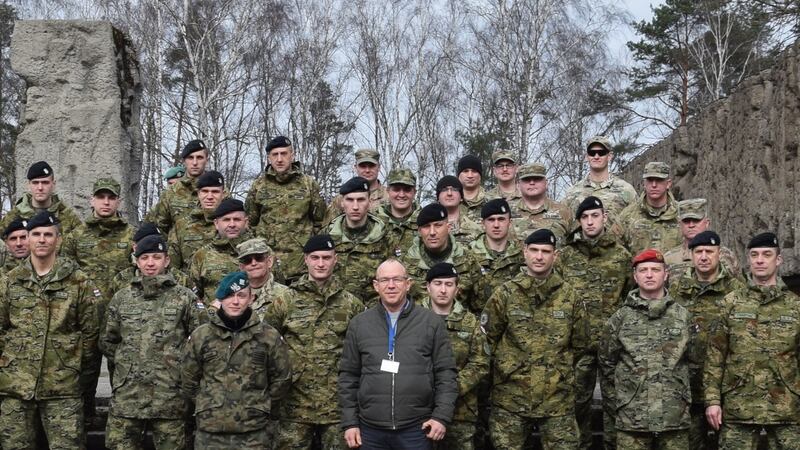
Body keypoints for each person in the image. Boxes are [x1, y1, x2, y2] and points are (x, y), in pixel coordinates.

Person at [0, 211, 100, 449]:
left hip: (63, 389)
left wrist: (74, 372)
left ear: (59, 240)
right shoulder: (10, 281)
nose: (42, 239)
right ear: (28, 238)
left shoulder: (79, 282)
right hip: (16, 388)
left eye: (48, 234)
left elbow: (91, 335)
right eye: (36, 234)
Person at [481, 228, 586, 449]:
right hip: (511, 396)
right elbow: (486, 341)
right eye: (534, 250)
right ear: (525, 252)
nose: (539, 257)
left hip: (556, 398)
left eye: (545, 251)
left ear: (555, 256)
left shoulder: (570, 296)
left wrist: (561, 374)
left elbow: (580, 345)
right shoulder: (505, 294)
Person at [339, 259, 458, 449]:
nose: (391, 285)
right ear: (376, 286)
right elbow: (348, 376)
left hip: (417, 428)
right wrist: (350, 423)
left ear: (408, 284)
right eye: (385, 280)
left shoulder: (431, 322)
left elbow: (446, 374)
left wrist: (441, 417)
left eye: (397, 279)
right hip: (370, 430)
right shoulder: (359, 324)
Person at [100, 234, 204, 450]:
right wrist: (128, 363)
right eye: (144, 258)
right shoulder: (122, 298)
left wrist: (175, 365)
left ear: (167, 260)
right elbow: (108, 340)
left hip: (170, 394)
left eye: (156, 257)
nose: (150, 263)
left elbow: (200, 341)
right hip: (128, 395)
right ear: (136, 262)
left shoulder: (184, 298)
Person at [265, 235, 363, 449]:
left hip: (337, 406)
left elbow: (362, 351)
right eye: (315, 257)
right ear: (306, 259)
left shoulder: (351, 304)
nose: (321, 263)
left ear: (335, 259)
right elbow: (267, 345)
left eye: (326, 258)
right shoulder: (286, 301)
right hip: (294, 405)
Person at [704, 232, 800, 450]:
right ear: (748, 259)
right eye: (754, 255)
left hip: (786, 408)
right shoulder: (730, 303)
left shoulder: (795, 306)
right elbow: (715, 356)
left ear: (778, 260)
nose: (760, 260)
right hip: (739, 406)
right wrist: (712, 401)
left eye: (767, 254)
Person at [182, 271, 291, 448]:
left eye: (241, 295)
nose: (235, 301)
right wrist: (208, 403)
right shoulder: (201, 335)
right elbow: (189, 379)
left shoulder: (268, 336)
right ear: (220, 299)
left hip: (254, 432)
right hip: (210, 430)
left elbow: (281, 378)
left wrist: (260, 405)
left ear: (251, 298)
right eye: (229, 296)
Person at [556, 196, 631, 450]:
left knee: (616, 403)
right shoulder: (566, 256)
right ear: (579, 221)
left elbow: (630, 297)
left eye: (595, 216)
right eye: (585, 217)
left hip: (613, 346)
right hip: (578, 345)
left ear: (604, 218)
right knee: (576, 403)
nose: (590, 222)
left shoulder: (621, 256)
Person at [600, 249, 691, 449]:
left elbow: (695, 362)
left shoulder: (683, 317)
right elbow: (606, 364)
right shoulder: (620, 318)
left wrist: (682, 398)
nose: (649, 275)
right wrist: (621, 402)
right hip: (632, 418)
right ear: (635, 276)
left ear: (666, 274)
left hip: (674, 416)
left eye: (655, 270)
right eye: (643, 270)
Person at [62, 177, 134, 424]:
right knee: (84, 372)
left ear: (118, 201)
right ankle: (84, 420)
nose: (106, 202)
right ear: (92, 200)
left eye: (111, 197)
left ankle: (120, 421)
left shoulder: (131, 235)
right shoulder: (76, 236)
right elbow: (66, 275)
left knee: (122, 371)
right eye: (101, 197)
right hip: (86, 320)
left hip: (120, 320)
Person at [671, 231, 744, 450]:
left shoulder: (737, 290)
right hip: (687, 387)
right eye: (698, 252)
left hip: (726, 386)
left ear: (719, 254)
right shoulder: (677, 290)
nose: (703, 257)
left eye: (709, 252)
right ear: (691, 255)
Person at [423, 263, 489, 450]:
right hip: (420, 408)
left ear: (457, 289)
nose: (443, 290)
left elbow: (480, 363)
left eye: (449, 284)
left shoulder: (470, 322)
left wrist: (451, 388)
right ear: (428, 287)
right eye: (438, 284)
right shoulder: (413, 319)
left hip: (460, 411)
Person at [245, 135, 327, 280]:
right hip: (268, 264)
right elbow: (250, 223)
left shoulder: (308, 184)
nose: (279, 159)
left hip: (300, 264)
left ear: (292, 155)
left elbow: (320, 221)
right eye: (275, 155)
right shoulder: (258, 186)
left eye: (284, 153)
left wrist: (307, 245)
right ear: (269, 158)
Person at [401, 203, 484, 314]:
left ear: (448, 228)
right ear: (419, 231)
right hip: (417, 323)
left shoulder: (467, 260)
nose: (432, 232)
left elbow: (480, 306)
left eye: (438, 225)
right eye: (426, 226)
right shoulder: (406, 263)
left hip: (457, 322)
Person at [326, 177, 391, 306]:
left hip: (375, 307)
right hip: (336, 307)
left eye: (361, 200)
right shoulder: (327, 236)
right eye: (350, 200)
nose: (355, 206)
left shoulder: (385, 235)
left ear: (369, 202)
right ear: (342, 203)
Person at [188, 198, 253, 306]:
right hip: (215, 315)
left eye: (237, 219)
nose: (232, 224)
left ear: (246, 222)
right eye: (226, 220)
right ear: (216, 224)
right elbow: (193, 296)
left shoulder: (261, 254)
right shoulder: (202, 256)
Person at [0, 160, 82, 238]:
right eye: (35, 183)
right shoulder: (15, 215)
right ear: (28, 185)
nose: (40, 188)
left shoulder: (67, 216)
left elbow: (82, 240)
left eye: (45, 182)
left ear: (53, 184)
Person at [562, 135, 637, 217]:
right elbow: (563, 221)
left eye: (601, 153)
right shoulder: (572, 193)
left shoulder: (626, 190)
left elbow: (638, 219)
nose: (596, 157)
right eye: (592, 153)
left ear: (609, 156)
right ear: (587, 157)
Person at [147, 139, 211, 234]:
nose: (195, 162)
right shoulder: (171, 192)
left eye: (199, 157)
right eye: (190, 158)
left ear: (206, 160)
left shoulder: (219, 191)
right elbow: (159, 226)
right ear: (184, 161)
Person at [618, 161, 682, 254]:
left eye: (659, 180)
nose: (654, 185)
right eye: (650, 180)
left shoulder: (681, 214)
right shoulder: (628, 215)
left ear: (668, 184)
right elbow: (614, 248)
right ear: (644, 183)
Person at [167, 170, 227, 270]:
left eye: (215, 192)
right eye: (205, 191)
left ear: (223, 193)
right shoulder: (182, 226)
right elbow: (171, 268)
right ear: (198, 194)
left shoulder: (234, 223)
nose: (209, 197)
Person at [663, 198, 739, 276]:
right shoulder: (669, 258)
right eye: (686, 221)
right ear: (680, 225)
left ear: (707, 223)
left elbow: (735, 282)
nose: (691, 225)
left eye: (696, 220)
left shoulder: (723, 255)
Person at [469, 198, 523, 300]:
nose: (496, 225)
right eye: (491, 220)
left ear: (510, 222)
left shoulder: (523, 254)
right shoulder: (469, 255)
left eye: (501, 219)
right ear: (483, 223)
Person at [509, 163, 571, 244]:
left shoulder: (564, 212)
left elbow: (577, 244)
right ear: (518, 185)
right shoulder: (507, 212)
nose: (532, 183)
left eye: (537, 179)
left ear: (546, 183)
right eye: (526, 180)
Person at [236, 237, 295, 319]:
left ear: (269, 262)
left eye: (259, 258)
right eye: (247, 260)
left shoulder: (286, 295)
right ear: (242, 267)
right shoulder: (231, 295)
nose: (253, 263)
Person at [325, 148, 387, 222]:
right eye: (363, 166)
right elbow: (328, 225)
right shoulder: (342, 198)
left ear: (379, 167)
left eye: (371, 166)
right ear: (355, 168)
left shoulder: (390, 197)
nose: (367, 170)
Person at [375, 168, 420, 258]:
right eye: (396, 189)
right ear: (388, 191)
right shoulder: (374, 221)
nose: (401, 195)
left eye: (407, 190)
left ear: (414, 192)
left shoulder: (425, 221)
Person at [435, 175, 482, 246]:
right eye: (444, 190)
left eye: (454, 189)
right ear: (438, 198)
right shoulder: (428, 227)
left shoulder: (476, 226)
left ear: (461, 197)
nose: (449, 193)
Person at [457, 155, 487, 222]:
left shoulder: (491, 201)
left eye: (474, 171)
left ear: (480, 176)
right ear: (458, 176)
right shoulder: (451, 203)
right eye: (465, 171)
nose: (470, 176)